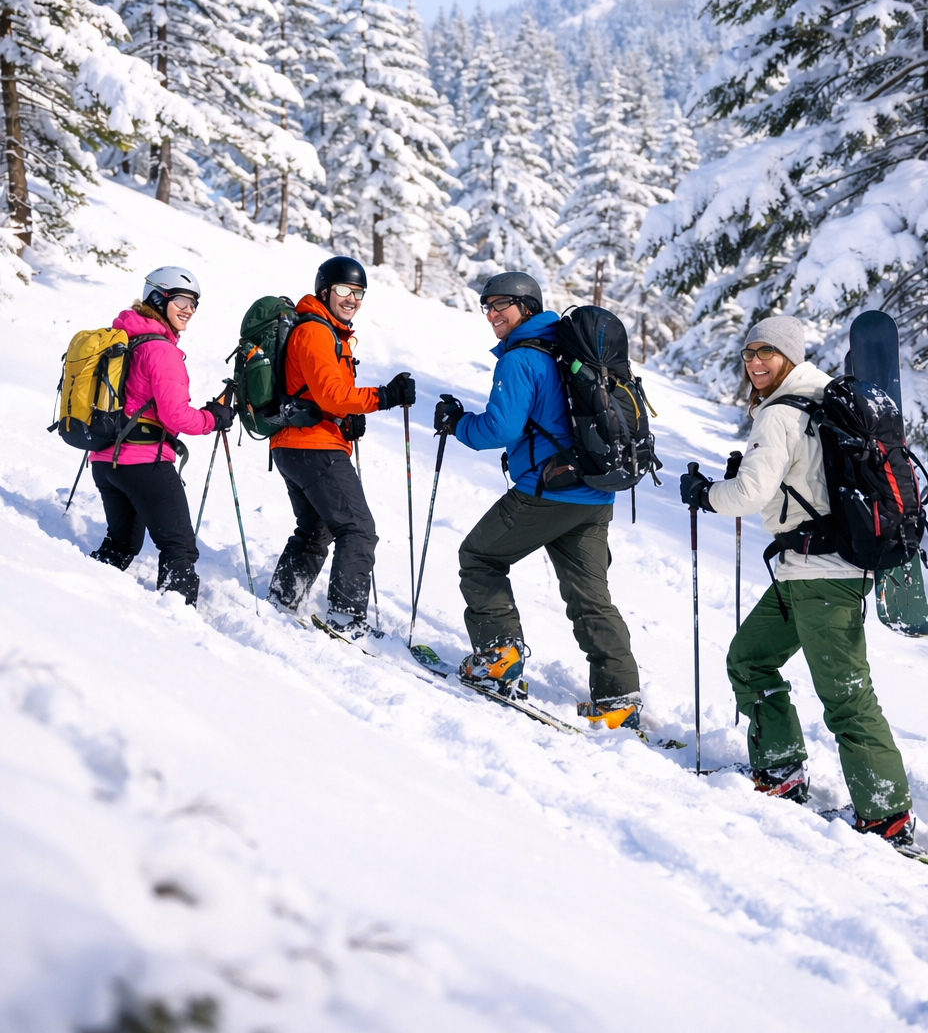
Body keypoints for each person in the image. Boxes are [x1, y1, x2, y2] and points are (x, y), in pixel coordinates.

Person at [680, 315, 914, 845]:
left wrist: (705, 493)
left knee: (847, 697)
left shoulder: (780, 415)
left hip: (822, 578)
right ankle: (781, 771)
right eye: (748, 354)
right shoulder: (821, 399)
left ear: (789, 356)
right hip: (806, 570)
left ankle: (886, 813)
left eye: (767, 352)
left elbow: (748, 497)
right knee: (750, 658)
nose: (755, 362)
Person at [434, 271, 642, 730]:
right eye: (486, 306)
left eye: (500, 304)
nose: (491, 314)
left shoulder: (521, 359)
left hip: (547, 493)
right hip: (594, 492)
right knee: (590, 596)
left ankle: (498, 657)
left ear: (526, 306)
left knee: (479, 556)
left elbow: (500, 430)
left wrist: (457, 424)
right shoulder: (565, 349)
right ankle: (619, 695)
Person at [266, 255, 416, 636]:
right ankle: (346, 617)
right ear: (325, 290)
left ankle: (283, 599)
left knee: (315, 528)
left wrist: (347, 416)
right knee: (358, 529)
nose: (352, 299)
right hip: (313, 447)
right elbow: (333, 394)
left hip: (297, 444)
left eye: (359, 293)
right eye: (345, 290)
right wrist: (384, 396)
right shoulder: (316, 332)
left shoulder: (326, 330)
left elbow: (322, 394)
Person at [89, 266, 233, 606]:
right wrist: (214, 418)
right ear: (159, 298)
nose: (188, 310)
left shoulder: (122, 336)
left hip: (105, 461)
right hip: (144, 465)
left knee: (122, 543)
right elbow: (176, 416)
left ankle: (87, 599)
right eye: (181, 300)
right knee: (179, 547)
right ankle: (177, 625)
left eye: (194, 304)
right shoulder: (161, 350)